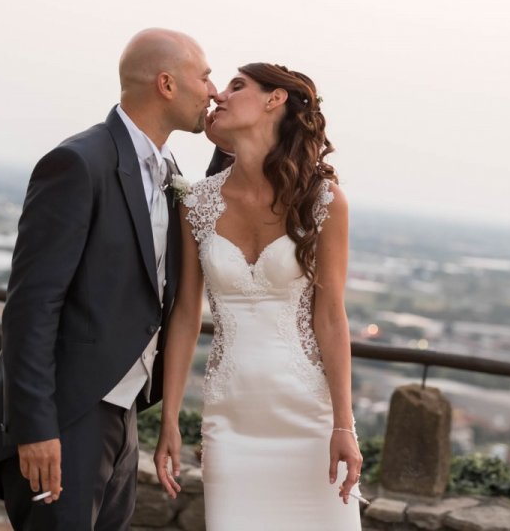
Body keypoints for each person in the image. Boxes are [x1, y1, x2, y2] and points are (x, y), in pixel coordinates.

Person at [0, 28, 217, 530]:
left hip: (121, 418)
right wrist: (36, 428)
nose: (213, 90)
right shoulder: (79, 163)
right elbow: (31, 306)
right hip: (67, 415)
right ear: (166, 84)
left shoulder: (169, 170)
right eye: (205, 76)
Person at [154, 63, 363, 530]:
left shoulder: (324, 200)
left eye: (236, 86)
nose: (218, 96)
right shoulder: (197, 203)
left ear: (275, 99)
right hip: (231, 420)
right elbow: (186, 315)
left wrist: (343, 426)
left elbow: (331, 319)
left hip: (308, 419)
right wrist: (170, 418)